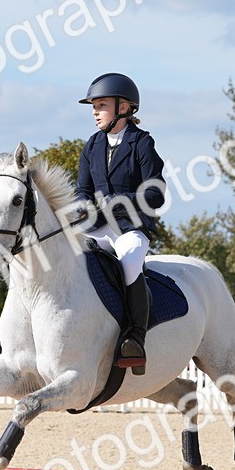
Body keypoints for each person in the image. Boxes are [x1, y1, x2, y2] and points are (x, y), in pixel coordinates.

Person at [69, 73, 166, 375]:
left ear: (123, 108)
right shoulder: (92, 145)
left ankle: (135, 336)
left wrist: (118, 200)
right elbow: (82, 190)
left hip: (131, 228)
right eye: (94, 107)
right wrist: (84, 206)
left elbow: (155, 192)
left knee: (131, 260)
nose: (95, 112)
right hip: (97, 227)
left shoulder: (142, 143)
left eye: (101, 105)